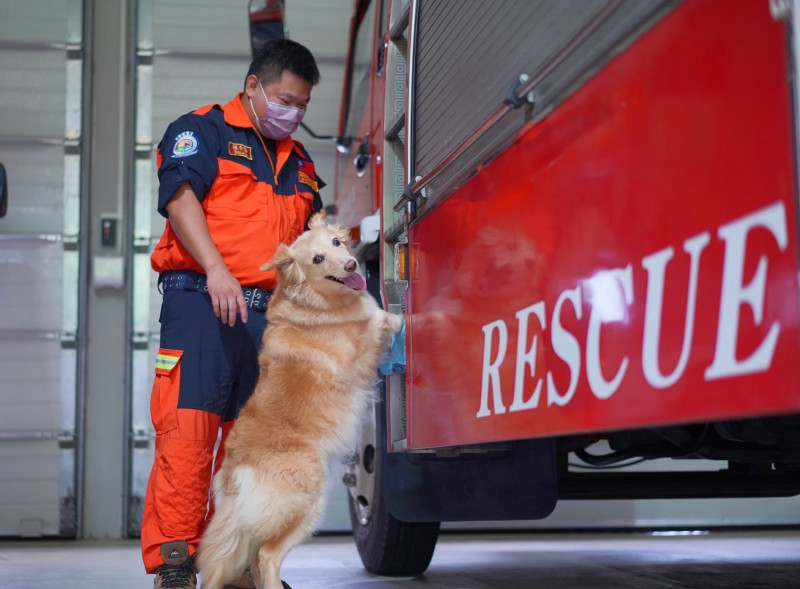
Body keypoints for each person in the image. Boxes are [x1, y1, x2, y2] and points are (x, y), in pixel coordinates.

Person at [140, 38, 323, 589]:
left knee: (256, 450)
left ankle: (242, 566)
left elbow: (311, 244)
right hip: (202, 300)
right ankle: (175, 562)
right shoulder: (203, 131)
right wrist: (218, 270)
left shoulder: (302, 162)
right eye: (285, 100)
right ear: (253, 87)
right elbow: (179, 197)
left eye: (303, 106)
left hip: (272, 320)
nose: (293, 113)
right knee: (188, 434)